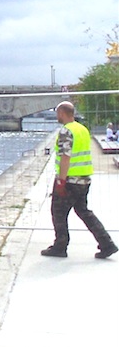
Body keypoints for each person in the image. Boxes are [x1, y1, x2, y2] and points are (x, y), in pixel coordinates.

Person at [41, 101, 118, 259]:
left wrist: (61, 181)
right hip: (84, 178)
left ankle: (60, 246)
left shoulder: (66, 131)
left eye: (57, 113)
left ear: (62, 113)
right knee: (84, 211)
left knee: (58, 212)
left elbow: (65, 157)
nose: (57, 116)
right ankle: (106, 243)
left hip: (69, 179)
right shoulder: (82, 129)